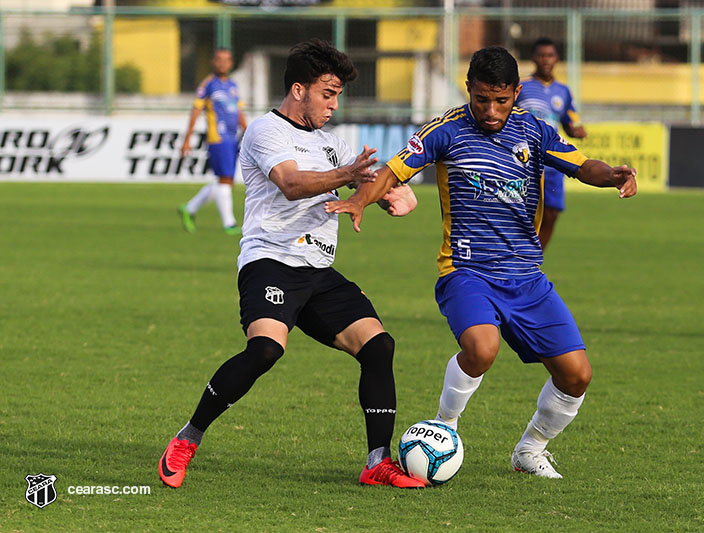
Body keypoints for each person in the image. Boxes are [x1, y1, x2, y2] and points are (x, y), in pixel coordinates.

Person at [325, 46, 636, 479]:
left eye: (501, 100)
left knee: (577, 375)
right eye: (482, 99)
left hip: (527, 277)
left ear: (516, 93)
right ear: (468, 89)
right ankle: (443, 428)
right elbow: (394, 172)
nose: (491, 110)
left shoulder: (536, 132)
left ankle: (530, 449)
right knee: (481, 348)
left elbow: (583, 167)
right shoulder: (445, 131)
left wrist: (614, 175)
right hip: (466, 272)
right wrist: (360, 199)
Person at [159, 39, 425, 489]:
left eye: (338, 95)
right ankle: (187, 438)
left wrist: (389, 194)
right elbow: (291, 183)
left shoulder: (332, 144)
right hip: (270, 261)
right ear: (299, 90)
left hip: (318, 271)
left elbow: (392, 190)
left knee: (379, 347)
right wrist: (349, 176)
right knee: (265, 350)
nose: (334, 104)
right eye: (327, 93)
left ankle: (377, 462)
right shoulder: (266, 131)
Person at [516, 37, 587, 250]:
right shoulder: (522, 86)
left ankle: (534, 258)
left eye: (550, 55)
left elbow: (569, 119)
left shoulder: (563, 91)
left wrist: (576, 129)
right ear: (534, 58)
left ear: (556, 58)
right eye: (541, 55)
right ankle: (516, 255)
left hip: (553, 160)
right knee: (525, 213)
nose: (546, 60)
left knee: (552, 214)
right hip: (526, 160)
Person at [177, 48, 248, 235]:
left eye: (227, 60)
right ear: (213, 62)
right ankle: (229, 223)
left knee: (224, 181)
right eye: (219, 60)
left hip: (232, 138)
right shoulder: (208, 84)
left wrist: (248, 131)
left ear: (231, 63)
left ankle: (190, 208)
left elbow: (238, 111)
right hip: (218, 137)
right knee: (225, 180)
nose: (223, 63)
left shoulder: (233, 85)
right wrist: (187, 140)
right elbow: (195, 111)